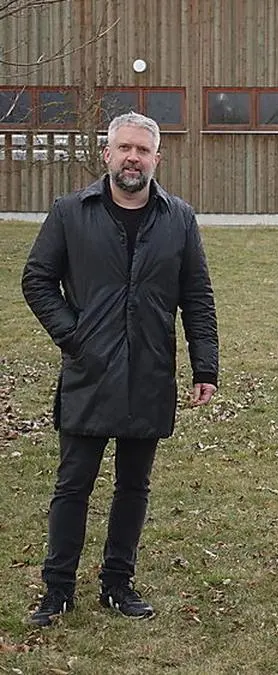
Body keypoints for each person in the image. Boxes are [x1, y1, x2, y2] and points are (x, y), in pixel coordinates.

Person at [21, 111, 219, 627]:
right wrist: (74, 335)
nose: (133, 158)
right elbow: (37, 279)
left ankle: (118, 582)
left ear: (157, 159)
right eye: (125, 148)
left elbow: (197, 296)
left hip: (150, 370)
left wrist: (205, 366)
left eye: (143, 150)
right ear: (107, 154)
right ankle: (57, 588)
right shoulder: (71, 212)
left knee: (134, 485)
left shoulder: (179, 218)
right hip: (89, 372)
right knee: (73, 484)